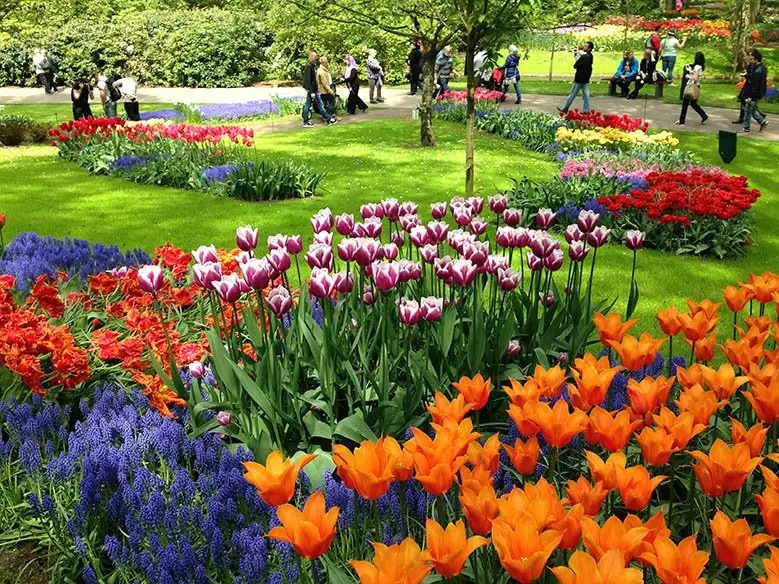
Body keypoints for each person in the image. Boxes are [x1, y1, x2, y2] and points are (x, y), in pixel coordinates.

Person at [301, 51, 335, 128]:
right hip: (312, 90)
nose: (316, 58)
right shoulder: (308, 66)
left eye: (316, 56)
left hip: (313, 90)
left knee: (311, 105)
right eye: (315, 56)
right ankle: (328, 119)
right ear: (311, 56)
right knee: (319, 105)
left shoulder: (312, 65)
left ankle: (306, 121)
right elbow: (308, 80)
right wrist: (311, 92)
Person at [559, 41, 594, 114]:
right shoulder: (590, 56)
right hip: (585, 79)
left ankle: (565, 108)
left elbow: (575, 66)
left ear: (589, 48)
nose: (584, 47)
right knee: (586, 95)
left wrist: (577, 58)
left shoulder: (584, 57)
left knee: (572, 95)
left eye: (586, 46)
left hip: (579, 79)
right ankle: (586, 110)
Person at [675, 52, 708, 125]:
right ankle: (703, 115)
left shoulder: (697, 67)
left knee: (685, 104)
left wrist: (688, 75)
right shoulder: (701, 67)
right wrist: (690, 70)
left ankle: (681, 120)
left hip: (691, 86)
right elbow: (696, 74)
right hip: (697, 86)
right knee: (693, 104)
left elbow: (695, 78)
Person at [743, 49, 768, 133]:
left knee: (748, 110)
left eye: (752, 59)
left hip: (755, 93)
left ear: (756, 59)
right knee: (752, 109)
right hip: (760, 92)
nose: (750, 60)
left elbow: (755, 85)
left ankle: (747, 127)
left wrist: (750, 96)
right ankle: (762, 121)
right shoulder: (762, 68)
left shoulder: (758, 71)